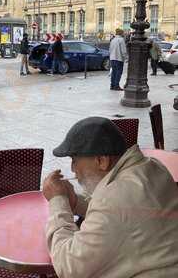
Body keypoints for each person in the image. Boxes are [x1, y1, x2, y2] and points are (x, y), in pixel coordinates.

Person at [43, 116, 178, 278]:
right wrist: (75, 201)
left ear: (101, 161)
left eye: (74, 160)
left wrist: (58, 201)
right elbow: (123, 213)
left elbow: (68, 266)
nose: (73, 169)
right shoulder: (153, 166)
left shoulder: (112, 201)